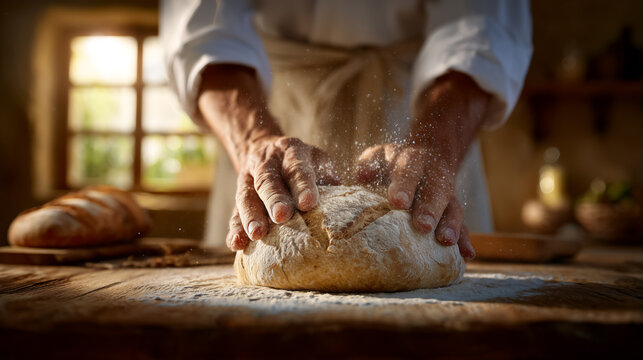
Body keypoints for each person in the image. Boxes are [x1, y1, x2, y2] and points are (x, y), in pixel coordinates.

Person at [161, 0, 533, 259]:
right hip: (264, 117)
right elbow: (206, 33)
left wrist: (434, 148)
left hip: (429, 119)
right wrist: (255, 141)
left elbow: (482, 32)